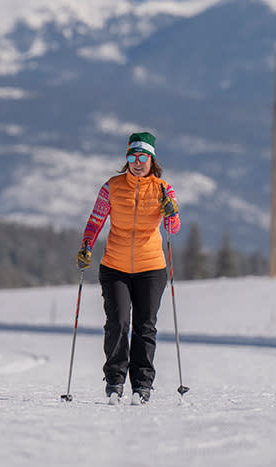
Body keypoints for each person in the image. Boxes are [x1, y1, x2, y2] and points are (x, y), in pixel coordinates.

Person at [76, 131, 181, 404]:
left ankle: (142, 384)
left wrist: (171, 212)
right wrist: (87, 245)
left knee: (145, 327)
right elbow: (95, 220)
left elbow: (173, 228)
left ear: (151, 160)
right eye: (132, 156)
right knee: (118, 323)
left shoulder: (162, 189)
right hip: (115, 266)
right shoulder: (111, 187)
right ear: (127, 159)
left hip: (151, 268)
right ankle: (115, 380)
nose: (137, 162)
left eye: (142, 157)